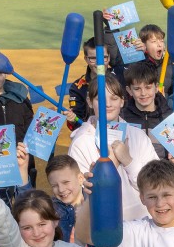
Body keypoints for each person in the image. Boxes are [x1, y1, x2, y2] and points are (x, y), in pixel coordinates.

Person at [67, 74, 156, 221]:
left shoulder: (138, 136)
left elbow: (155, 185)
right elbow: (80, 197)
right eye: (100, 99)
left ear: (122, 101)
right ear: (89, 101)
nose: (107, 104)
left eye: (114, 98)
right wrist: (112, 162)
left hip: (143, 222)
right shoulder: (80, 143)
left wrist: (128, 161)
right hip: (103, 225)